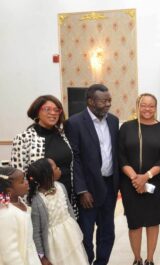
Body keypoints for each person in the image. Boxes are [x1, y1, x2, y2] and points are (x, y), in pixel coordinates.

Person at [65, 84, 119, 265]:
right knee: (86, 234)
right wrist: (81, 190)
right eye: (104, 101)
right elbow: (75, 158)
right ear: (90, 101)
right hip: (88, 189)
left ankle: (101, 263)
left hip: (109, 186)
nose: (108, 104)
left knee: (108, 232)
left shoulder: (113, 121)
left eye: (109, 100)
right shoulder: (74, 123)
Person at [119, 93, 160, 265]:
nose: (147, 109)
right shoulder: (126, 127)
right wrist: (136, 178)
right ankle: (137, 259)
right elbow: (120, 156)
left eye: (151, 105)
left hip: (155, 183)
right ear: (137, 106)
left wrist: (146, 177)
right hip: (130, 183)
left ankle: (149, 259)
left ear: (155, 108)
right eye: (143, 105)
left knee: (152, 222)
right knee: (134, 223)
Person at [11, 95, 75, 211]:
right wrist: (28, 206)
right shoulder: (24, 138)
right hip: (41, 202)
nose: (53, 113)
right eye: (47, 109)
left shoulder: (63, 135)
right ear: (37, 112)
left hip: (67, 197)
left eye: (57, 110)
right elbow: (20, 177)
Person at [27, 158, 89, 265]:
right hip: (54, 244)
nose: (59, 168)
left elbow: (69, 211)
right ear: (48, 175)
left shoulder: (61, 187)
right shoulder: (38, 201)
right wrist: (42, 256)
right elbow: (36, 232)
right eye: (56, 167)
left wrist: (75, 230)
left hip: (70, 235)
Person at [0, 166, 41, 265]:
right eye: (22, 181)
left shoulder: (20, 202)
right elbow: (9, 254)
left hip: (31, 255)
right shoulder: (6, 214)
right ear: (9, 191)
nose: (27, 182)